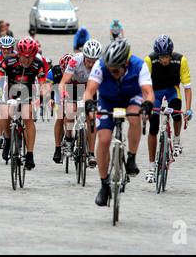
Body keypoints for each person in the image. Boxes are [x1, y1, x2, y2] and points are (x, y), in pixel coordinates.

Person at [84, 39, 154, 206]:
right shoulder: (101, 65)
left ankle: (131, 157)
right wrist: (89, 105)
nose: (112, 73)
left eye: (116, 71)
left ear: (126, 64)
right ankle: (103, 184)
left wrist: (147, 106)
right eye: (110, 70)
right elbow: (89, 91)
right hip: (107, 99)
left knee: (134, 116)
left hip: (131, 97)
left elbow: (148, 93)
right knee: (104, 139)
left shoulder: (139, 66)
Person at [0, 37, 48, 169]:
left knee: (27, 116)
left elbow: (44, 86)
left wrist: (40, 98)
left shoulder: (38, 64)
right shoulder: (9, 61)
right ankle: (8, 141)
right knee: (4, 113)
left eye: (30, 57)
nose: (27, 60)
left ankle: (30, 155)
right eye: (24, 56)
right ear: (18, 54)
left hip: (28, 93)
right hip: (10, 91)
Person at [143, 35, 192, 183]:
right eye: (161, 57)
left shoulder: (180, 60)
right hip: (155, 92)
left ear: (171, 53)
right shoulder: (149, 60)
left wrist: (188, 110)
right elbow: (143, 85)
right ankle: (151, 166)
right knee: (154, 126)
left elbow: (187, 87)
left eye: (167, 57)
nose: (164, 60)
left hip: (172, 90)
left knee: (177, 111)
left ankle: (176, 140)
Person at [59, 39, 103, 168]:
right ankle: (68, 139)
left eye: (94, 62)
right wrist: (62, 95)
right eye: (88, 60)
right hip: (73, 86)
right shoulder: (75, 61)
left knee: (92, 117)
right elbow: (63, 82)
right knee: (71, 110)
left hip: (90, 88)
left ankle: (91, 153)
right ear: (84, 56)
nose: (90, 64)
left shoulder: (102, 65)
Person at [47, 53, 72, 163]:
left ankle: (71, 137)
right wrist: (50, 99)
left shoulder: (77, 72)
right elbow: (48, 89)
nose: (65, 73)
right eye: (63, 70)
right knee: (60, 116)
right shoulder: (53, 72)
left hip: (73, 91)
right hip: (58, 92)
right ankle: (57, 148)